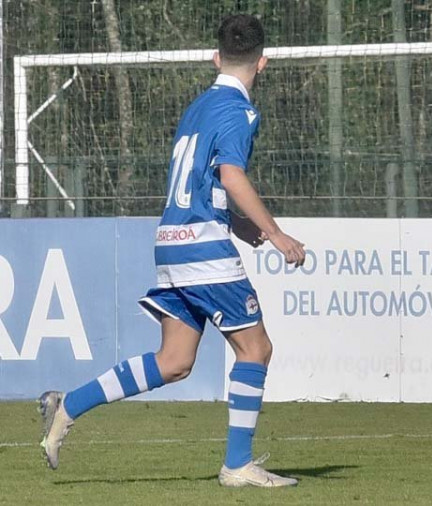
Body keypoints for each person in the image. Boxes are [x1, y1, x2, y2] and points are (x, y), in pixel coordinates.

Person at [38, 15, 306, 487]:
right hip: (203, 247)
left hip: (170, 242)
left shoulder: (197, 107)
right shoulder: (240, 112)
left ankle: (68, 404)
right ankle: (238, 465)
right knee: (256, 348)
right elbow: (231, 177)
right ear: (263, 63)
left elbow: (200, 183)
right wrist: (275, 233)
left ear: (215, 58)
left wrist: (240, 225)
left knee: (175, 361)